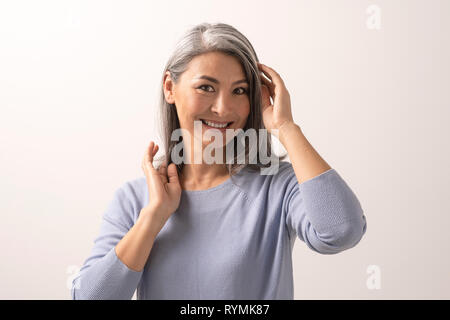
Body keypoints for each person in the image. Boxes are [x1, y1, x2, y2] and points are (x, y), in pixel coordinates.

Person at [71, 22, 367, 300]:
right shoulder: (135, 200)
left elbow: (341, 232)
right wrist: (153, 217)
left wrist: (286, 128)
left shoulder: (278, 185)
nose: (223, 107)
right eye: (206, 87)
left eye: (239, 91)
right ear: (170, 88)